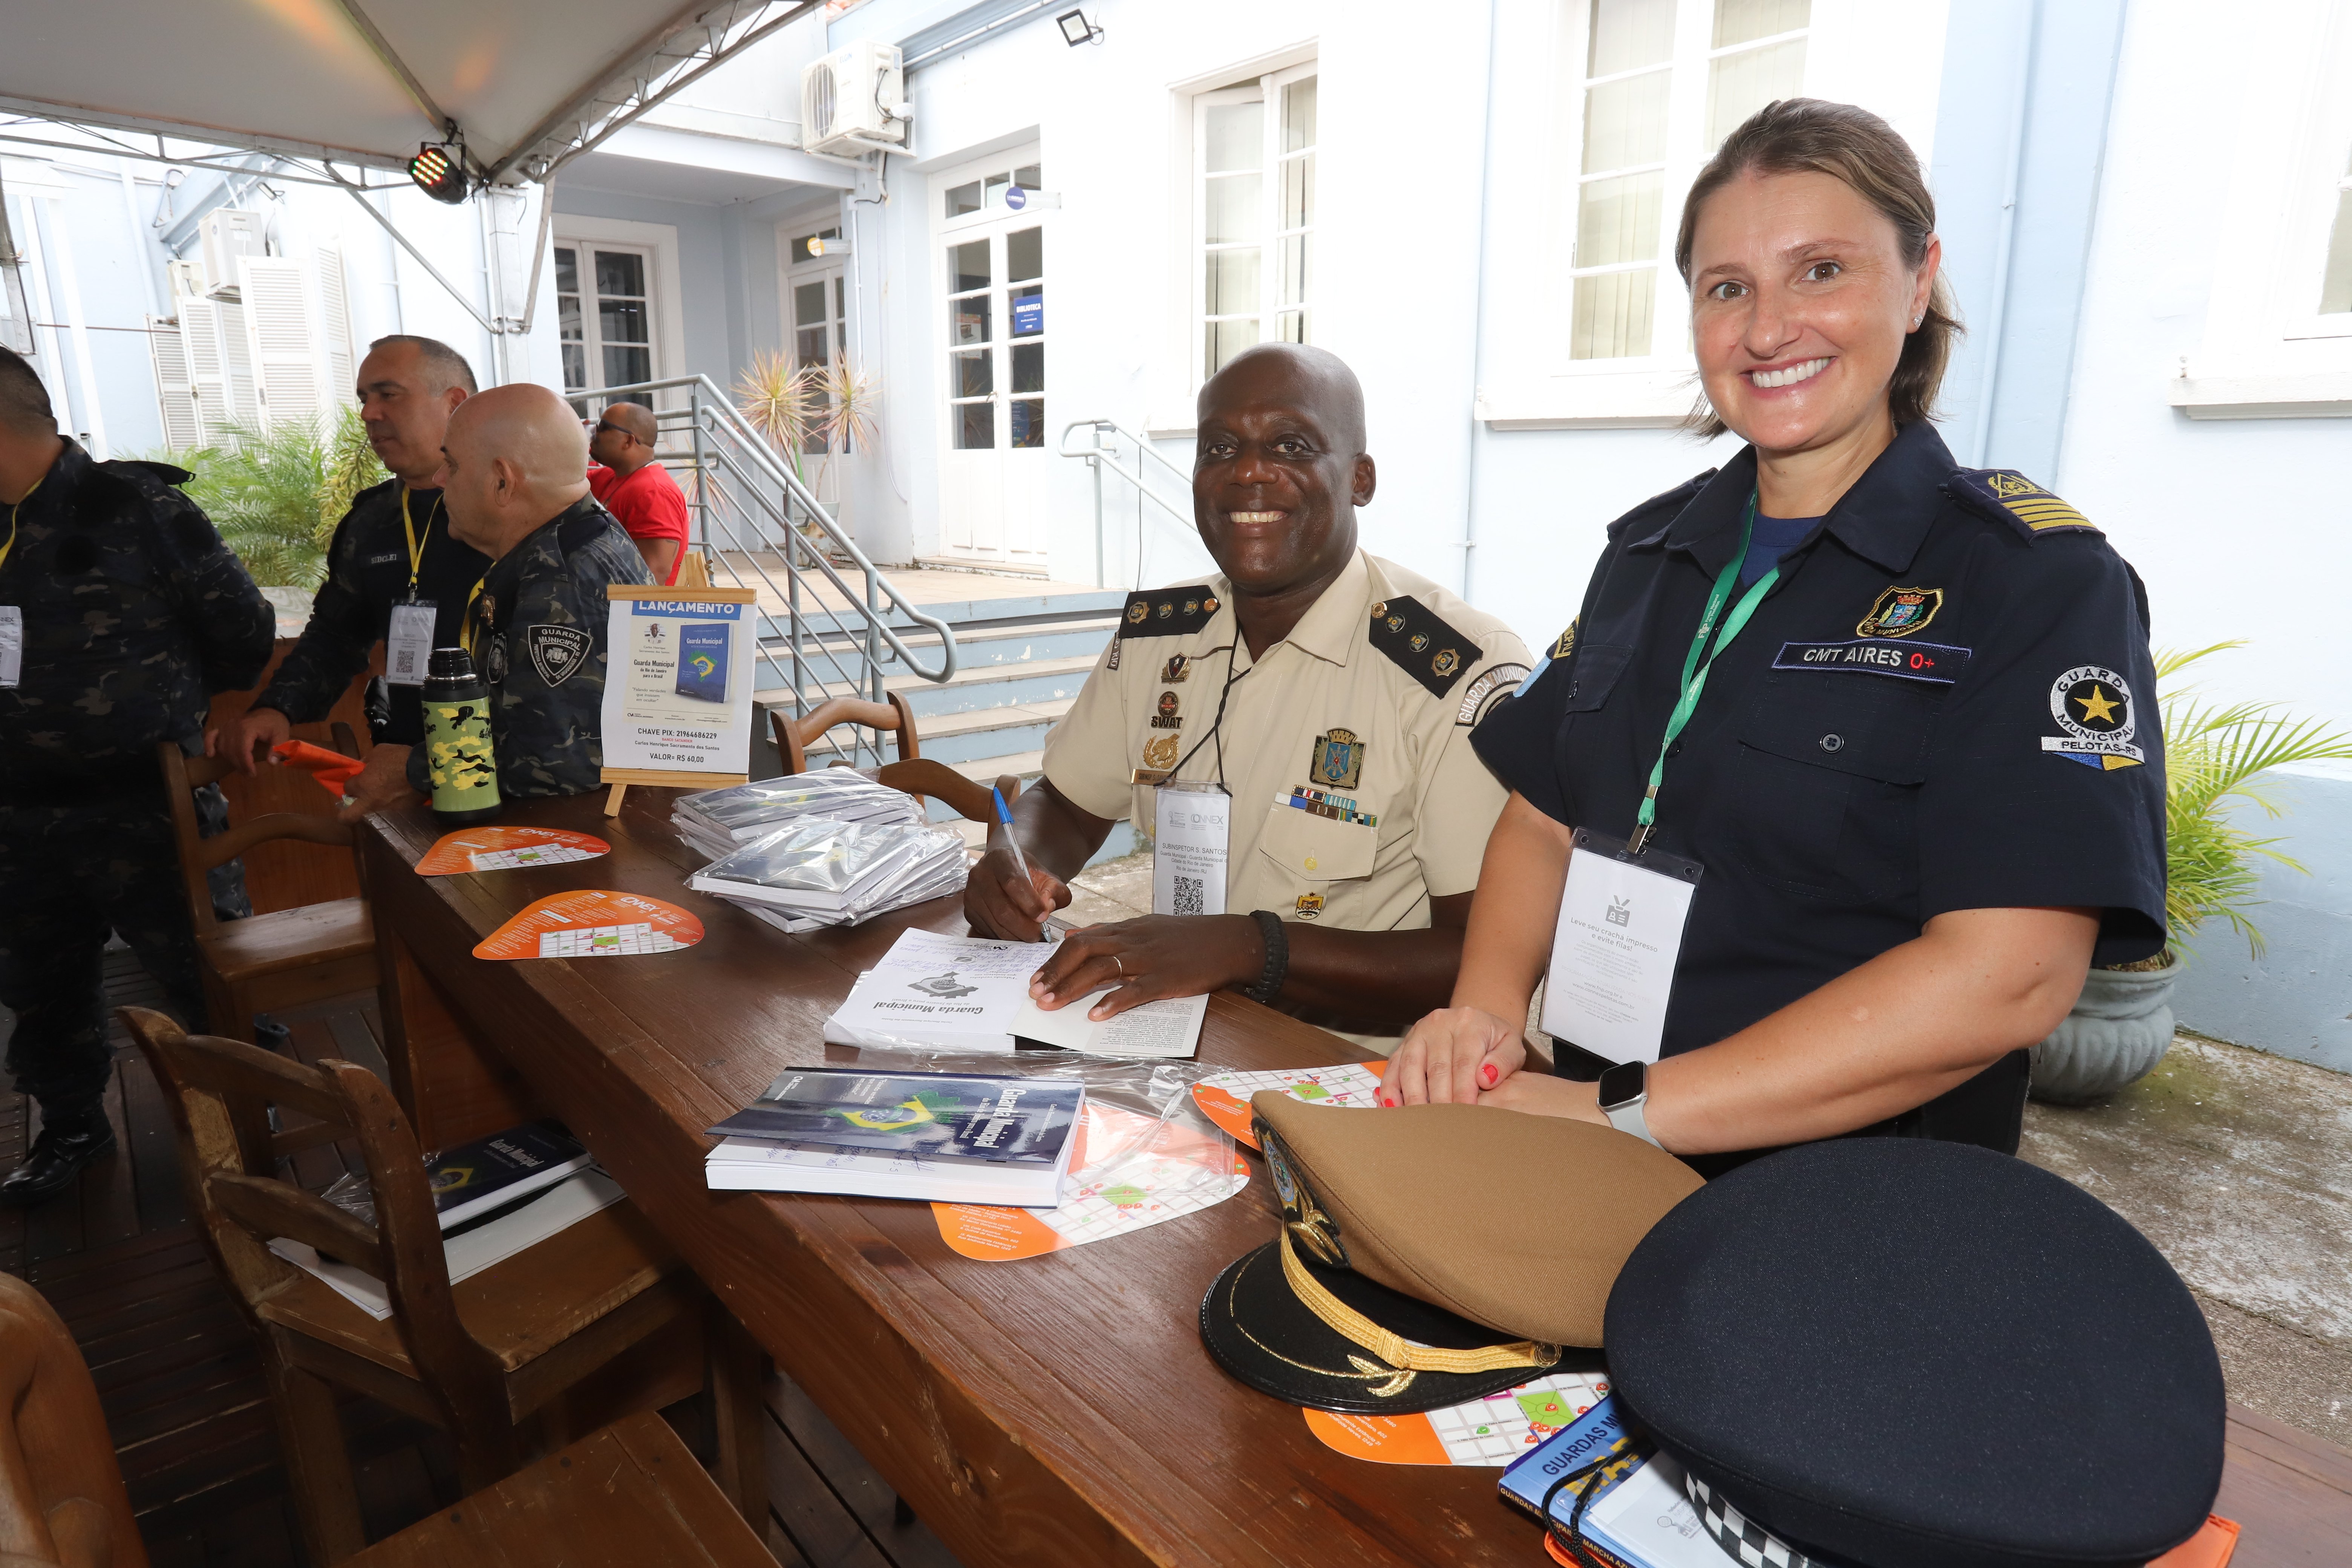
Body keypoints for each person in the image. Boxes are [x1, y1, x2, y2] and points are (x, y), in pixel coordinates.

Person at [1384, 100, 2166, 1169]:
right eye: (1728, 288)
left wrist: (1621, 1115)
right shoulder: (1650, 555)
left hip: (1841, 1192)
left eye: (1821, 271)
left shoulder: (2033, 583)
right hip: (1585, 1137)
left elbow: (2011, 976)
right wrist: (1482, 1014)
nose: (1766, 330)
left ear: (1918, 281)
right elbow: (1542, 818)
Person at [968, 343, 1535, 1049]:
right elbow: (1066, 805)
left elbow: (1486, 958)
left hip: (1350, 1073)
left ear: (1360, 479)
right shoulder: (1159, 638)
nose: (1249, 472)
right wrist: (1016, 863)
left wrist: (1251, 950)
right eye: (1220, 448)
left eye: (1291, 446)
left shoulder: (1453, 670)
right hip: (1163, 1037)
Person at [0, 346, 274, 1205]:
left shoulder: (136, 507)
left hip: (146, 804)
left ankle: (261, 1117)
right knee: (40, 989)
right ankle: (72, 1126)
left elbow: (243, 631)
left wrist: (171, 714)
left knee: (207, 974)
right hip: (18, 814)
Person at [211, 335, 486, 816]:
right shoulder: (371, 520)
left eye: (388, 394)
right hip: (399, 780)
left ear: (455, 403)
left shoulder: (515, 511)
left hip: (506, 777)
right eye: (364, 398)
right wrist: (278, 707)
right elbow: (336, 637)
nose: (368, 414)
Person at [373, 383, 651, 807]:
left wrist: (411, 770)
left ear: (503, 483)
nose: (439, 479)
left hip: (567, 837)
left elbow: (554, 766)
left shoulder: (560, 581)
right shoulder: (572, 539)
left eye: (452, 464)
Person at [586, 401, 691, 585]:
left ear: (628, 441)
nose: (594, 433)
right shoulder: (609, 477)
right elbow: (559, 478)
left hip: (631, 604)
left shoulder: (654, 492)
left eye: (603, 428)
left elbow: (652, 576)